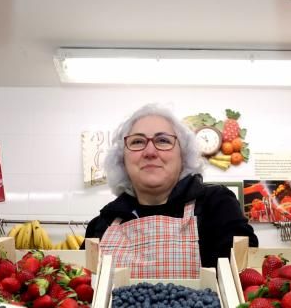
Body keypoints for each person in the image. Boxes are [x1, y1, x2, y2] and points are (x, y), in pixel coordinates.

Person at [85, 104, 258, 279]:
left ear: (183, 156)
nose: (150, 152)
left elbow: (240, 280)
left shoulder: (217, 206)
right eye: (137, 141)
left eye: (163, 141)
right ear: (122, 160)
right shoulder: (101, 224)